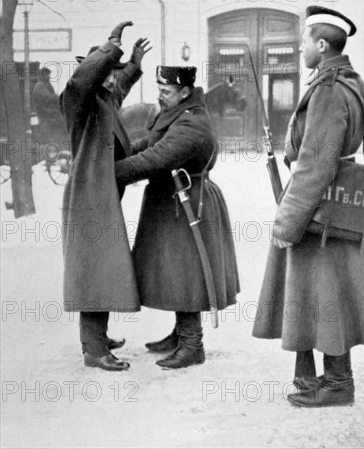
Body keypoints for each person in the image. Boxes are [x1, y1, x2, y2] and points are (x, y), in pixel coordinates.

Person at [252, 6, 364, 407]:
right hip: (338, 208)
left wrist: (286, 224)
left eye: (304, 41)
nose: (299, 47)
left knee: (323, 295)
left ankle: (338, 383)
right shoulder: (350, 82)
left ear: (321, 45)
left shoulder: (328, 90)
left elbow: (315, 165)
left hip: (321, 210)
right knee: (318, 295)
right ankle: (310, 380)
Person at [114, 66, 240, 369]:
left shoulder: (191, 124)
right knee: (173, 271)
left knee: (187, 272)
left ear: (185, 92)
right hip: (172, 202)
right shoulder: (175, 114)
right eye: (159, 89)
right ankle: (179, 333)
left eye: (166, 91)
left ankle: (192, 343)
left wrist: (113, 171)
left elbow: (158, 158)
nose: (160, 95)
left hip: (187, 204)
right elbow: (150, 145)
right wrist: (119, 154)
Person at [60, 21, 152, 371]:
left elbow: (120, 85)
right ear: (94, 72)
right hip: (88, 199)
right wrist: (112, 45)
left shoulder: (104, 99)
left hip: (102, 196)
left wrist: (133, 63)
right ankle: (94, 349)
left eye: (115, 75)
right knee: (93, 271)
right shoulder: (78, 101)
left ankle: (97, 335)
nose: (114, 80)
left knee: (103, 268)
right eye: (107, 73)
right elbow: (80, 81)